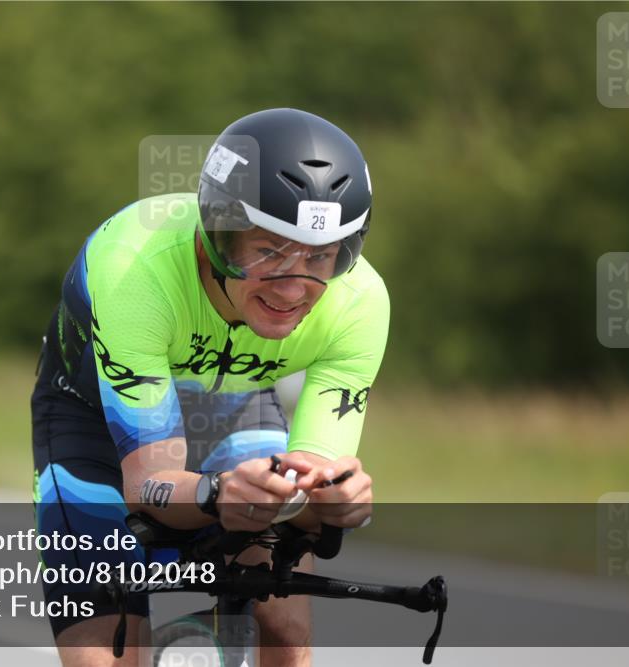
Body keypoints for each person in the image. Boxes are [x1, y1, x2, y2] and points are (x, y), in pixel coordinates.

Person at [31, 108, 389, 666]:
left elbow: (312, 488)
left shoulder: (360, 302)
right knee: (106, 646)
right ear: (219, 234)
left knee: (284, 621)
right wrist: (219, 494)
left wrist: (335, 502)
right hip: (93, 421)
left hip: (239, 407)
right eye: (269, 250)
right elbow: (146, 486)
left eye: (321, 255)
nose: (294, 286)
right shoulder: (136, 270)